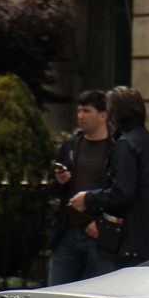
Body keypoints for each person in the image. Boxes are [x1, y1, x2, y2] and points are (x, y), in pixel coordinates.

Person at [70, 86, 149, 268]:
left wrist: (89, 199)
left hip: (131, 242)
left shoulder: (126, 144)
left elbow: (122, 192)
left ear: (116, 113)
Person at [48, 90, 116, 285]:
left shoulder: (115, 149)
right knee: (56, 295)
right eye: (79, 111)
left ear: (103, 116)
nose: (80, 116)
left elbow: (121, 192)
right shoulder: (71, 146)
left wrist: (103, 223)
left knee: (98, 296)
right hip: (67, 233)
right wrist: (60, 182)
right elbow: (52, 189)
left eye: (87, 111)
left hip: (98, 235)